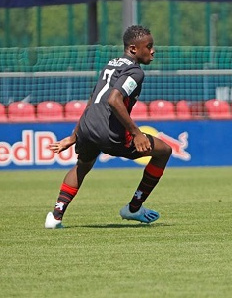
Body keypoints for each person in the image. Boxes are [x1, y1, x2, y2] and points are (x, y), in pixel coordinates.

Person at [44, 25, 172, 229]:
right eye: (148, 46)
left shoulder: (110, 65)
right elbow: (114, 100)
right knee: (164, 151)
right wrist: (136, 133)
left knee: (82, 166)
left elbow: (92, 101)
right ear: (133, 49)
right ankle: (134, 208)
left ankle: (56, 216)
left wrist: (74, 136)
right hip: (109, 132)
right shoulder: (135, 72)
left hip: (87, 126)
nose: (152, 50)